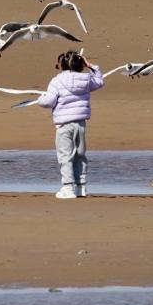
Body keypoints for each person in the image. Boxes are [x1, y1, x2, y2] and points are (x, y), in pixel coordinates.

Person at [37, 50, 104, 199]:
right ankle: (81, 188)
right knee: (80, 155)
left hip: (63, 125)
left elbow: (48, 101)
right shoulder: (86, 79)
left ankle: (68, 188)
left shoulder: (57, 80)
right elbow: (100, 81)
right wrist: (91, 66)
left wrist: (40, 99)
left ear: (62, 65)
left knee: (65, 156)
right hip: (80, 124)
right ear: (81, 64)